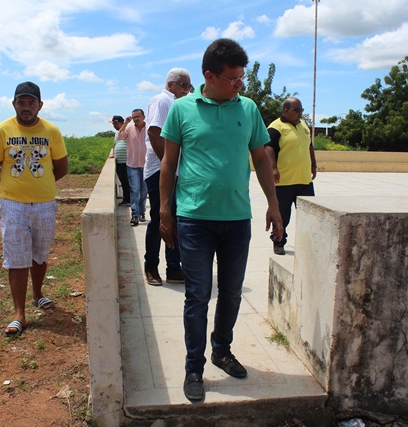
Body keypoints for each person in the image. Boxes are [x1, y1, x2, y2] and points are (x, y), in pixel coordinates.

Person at [159, 38, 283, 402]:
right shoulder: (182, 109)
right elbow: (169, 162)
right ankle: (193, 367)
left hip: (236, 218)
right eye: (232, 78)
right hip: (194, 218)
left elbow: (260, 158)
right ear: (209, 76)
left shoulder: (248, 107)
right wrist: (164, 209)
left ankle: (222, 350)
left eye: (242, 77)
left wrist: (273, 204)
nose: (239, 84)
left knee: (231, 293)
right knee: (197, 296)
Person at [0, 81, 68, 338]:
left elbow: (61, 167)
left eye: (31, 103)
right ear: (14, 104)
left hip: (44, 204)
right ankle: (19, 313)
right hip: (13, 206)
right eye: (21, 102)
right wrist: (11, 190)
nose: (26, 107)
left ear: (40, 105)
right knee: (17, 258)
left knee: (40, 254)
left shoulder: (51, 131)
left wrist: (40, 187)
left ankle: (38, 294)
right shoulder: (2, 130)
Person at [143, 68, 191, 286]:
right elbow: (154, 132)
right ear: (172, 84)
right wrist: (167, 166)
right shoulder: (162, 101)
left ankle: (174, 267)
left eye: (189, 86)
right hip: (159, 171)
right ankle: (151, 267)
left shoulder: (178, 104)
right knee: (158, 220)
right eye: (184, 85)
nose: (187, 90)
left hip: (174, 172)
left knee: (175, 219)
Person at [264, 97, 317, 255]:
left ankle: (309, 244)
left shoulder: (303, 125)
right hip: (283, 182)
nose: (300, 113)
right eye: (297, 110)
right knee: (282, 216)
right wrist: (273, 168)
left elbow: (309, 146)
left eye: (301, 110)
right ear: (285, 110)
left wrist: (313, 165)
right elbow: (268, 148)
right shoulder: (275, 127)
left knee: (310, 215)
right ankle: (278, 242)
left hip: (304, 180)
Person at [118, 109, 147, 225]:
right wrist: (125, 123)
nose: (136, 119)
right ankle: (135, 214)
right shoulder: (129, 128)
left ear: (144, 117)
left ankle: (142, 212)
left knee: (144, 192)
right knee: (135, 190)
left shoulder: (149, 128)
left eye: (138, 116)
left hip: (146, 165)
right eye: (134, 117)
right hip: (132, 165)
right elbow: (120, 137)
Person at [108, 115, 131, 206]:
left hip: (127, 161)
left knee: (128, 182)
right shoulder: (116, 134)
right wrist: (113, 154)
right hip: (119, 162)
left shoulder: (127, 131)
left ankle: (129, 200)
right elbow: (115, 145)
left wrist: (125, 124)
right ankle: (126, 199)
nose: (113, 125)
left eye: (115, 123)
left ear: (120, 123)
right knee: (123, 182)